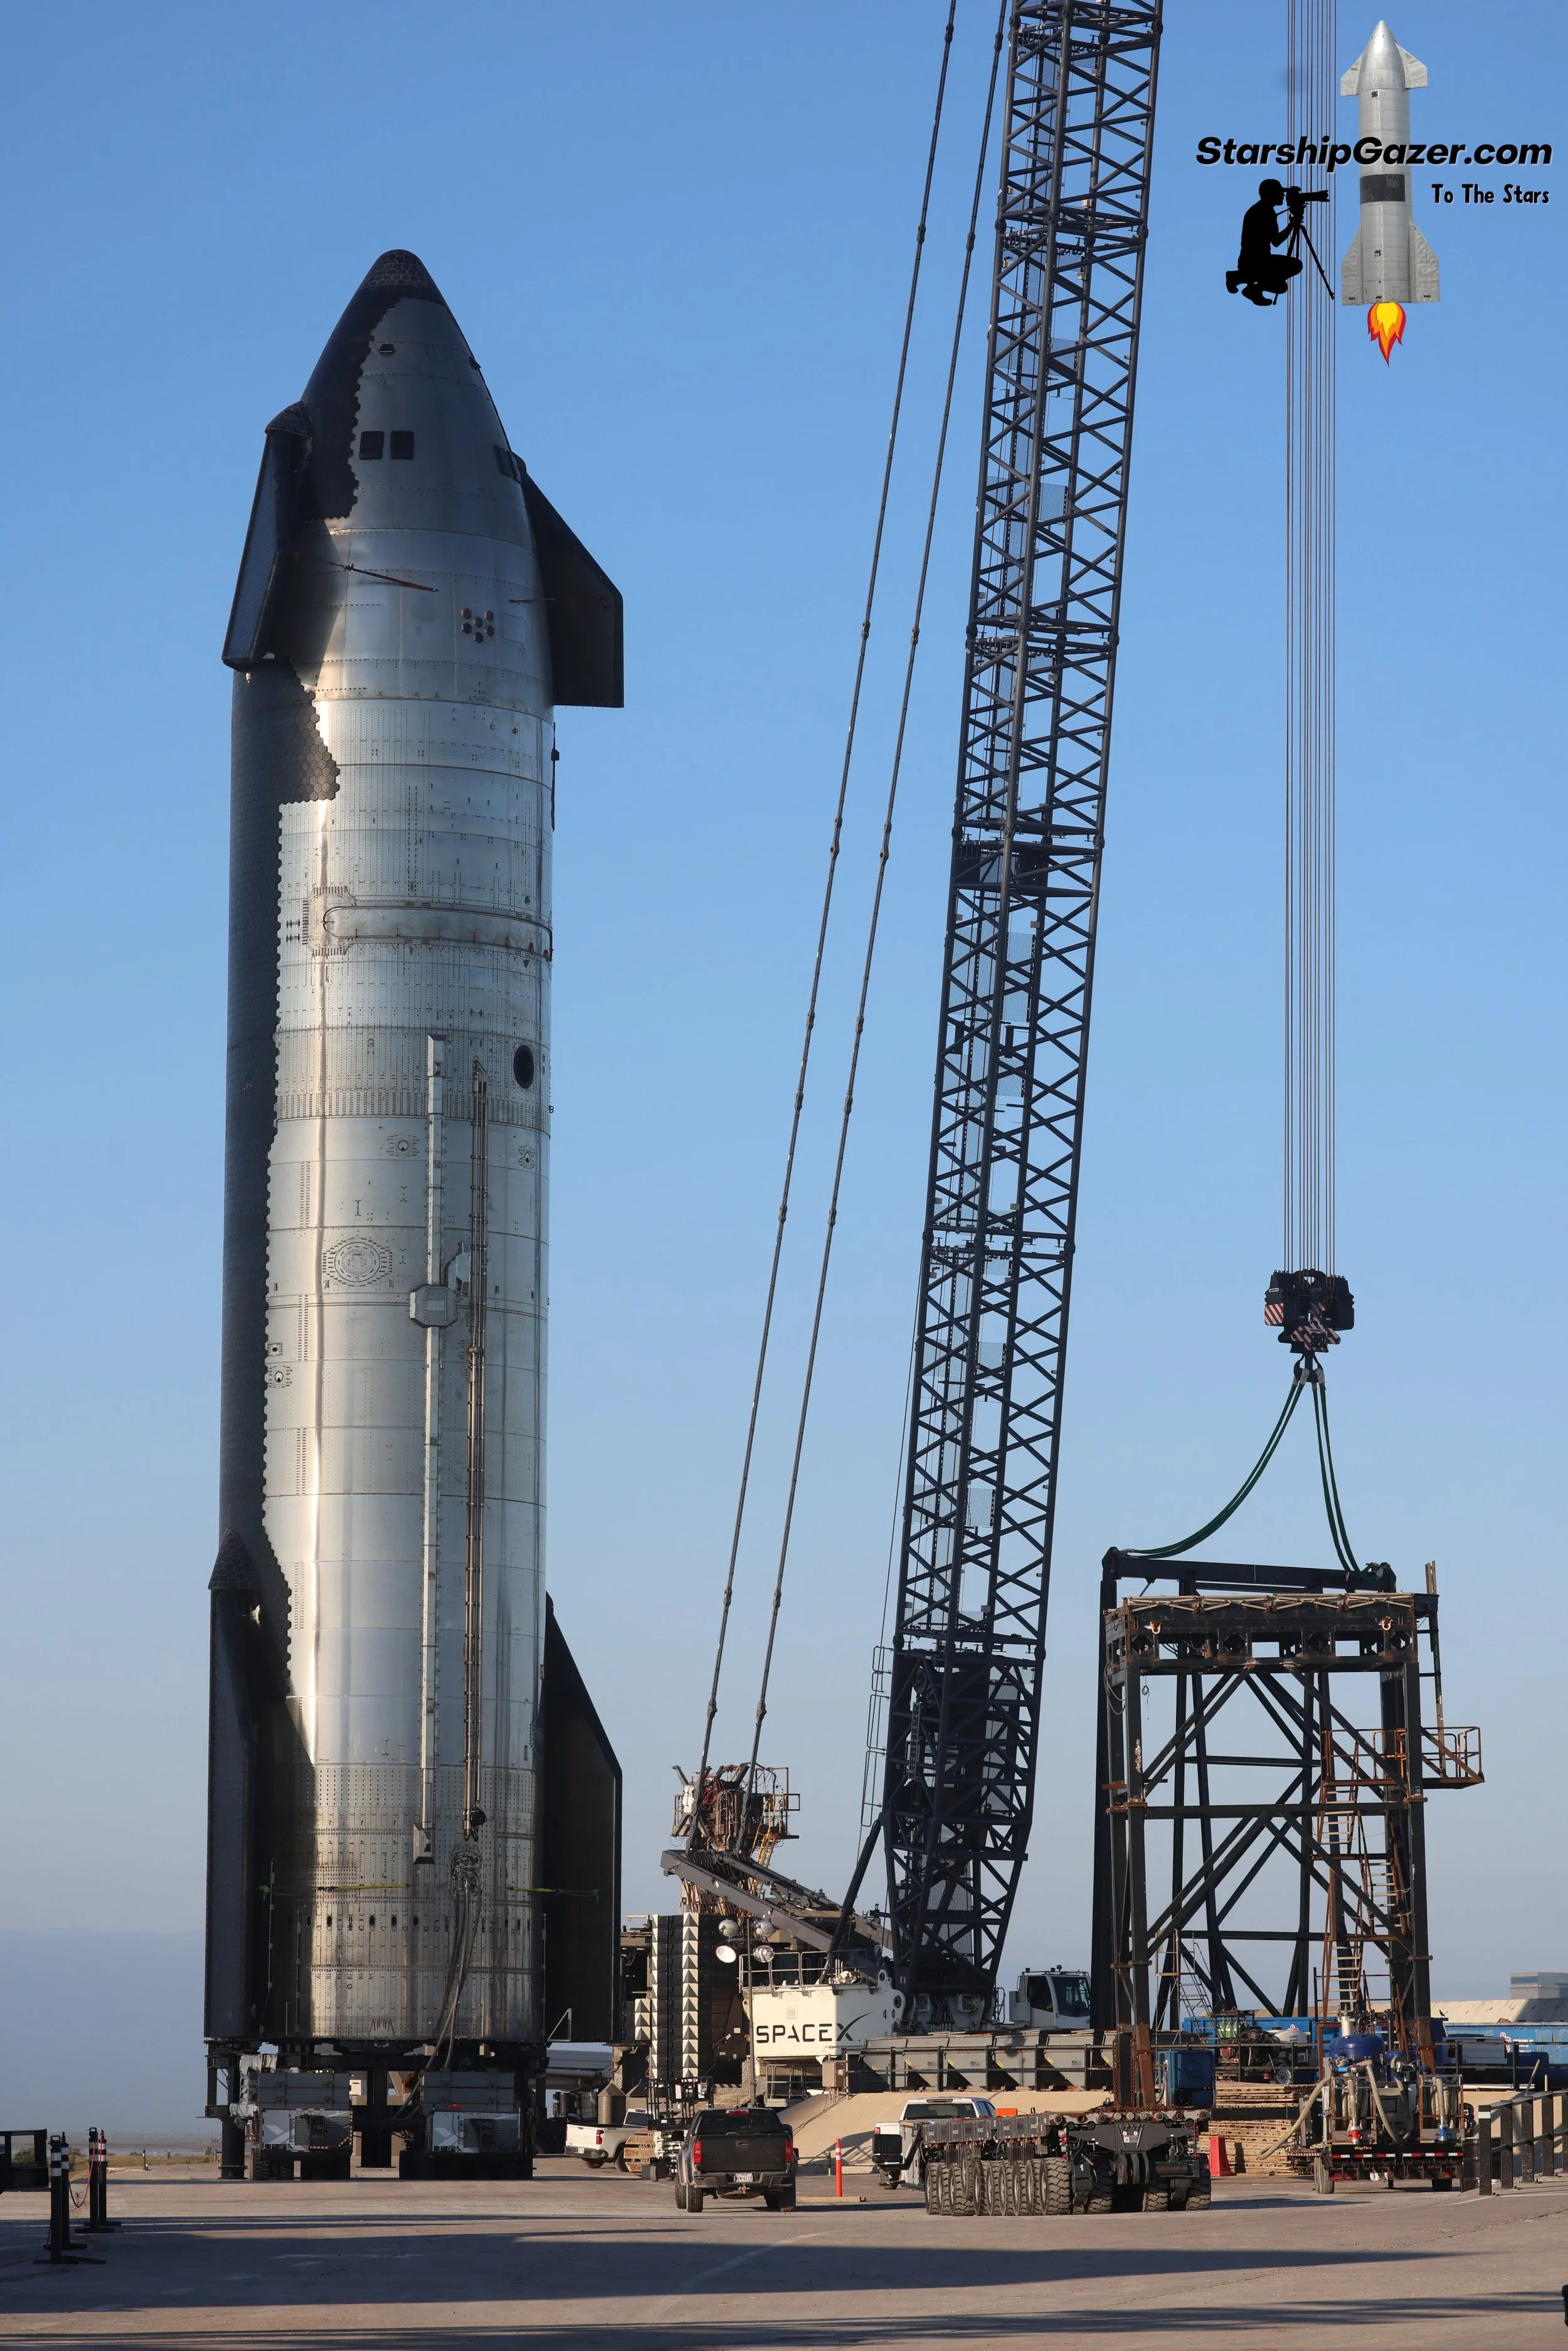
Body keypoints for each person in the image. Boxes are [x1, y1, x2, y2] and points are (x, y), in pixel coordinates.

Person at [1226, 179, 1304, 306]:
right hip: (1257, 262)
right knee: (1296, 266)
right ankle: (1241, 279)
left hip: (1253, 261)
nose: (1283, 196)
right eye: (1280, 192)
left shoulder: (1262, 209)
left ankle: (1241, 280)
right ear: (1272, 194)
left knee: (1281, 287)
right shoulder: (1265, 212)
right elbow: (1277, 241)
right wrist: (1293, 224)